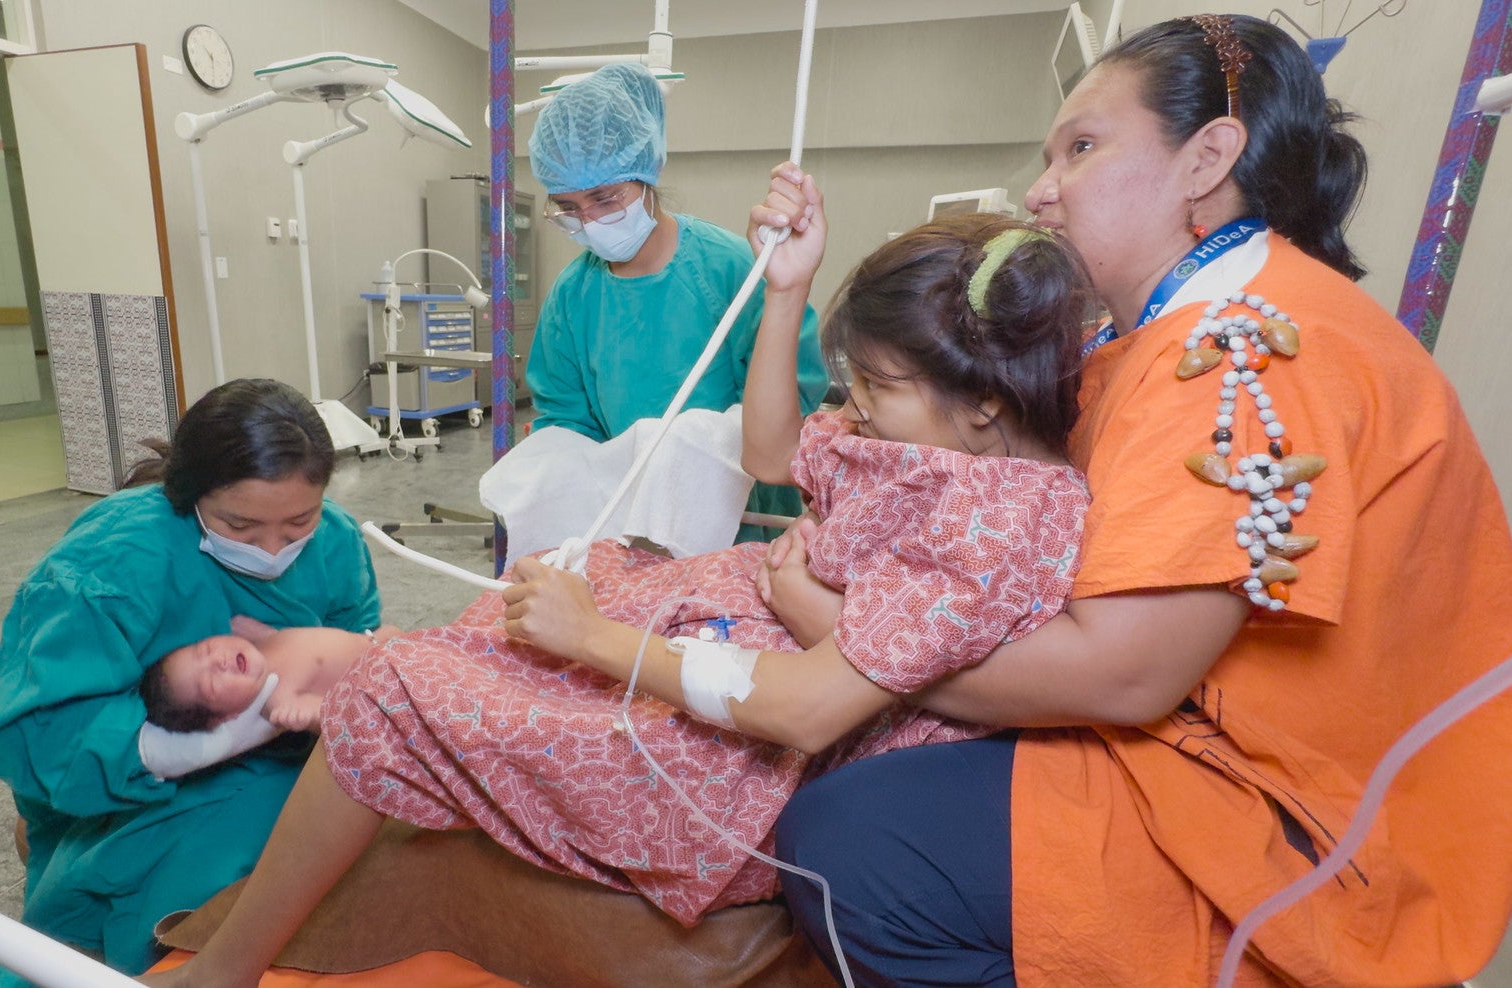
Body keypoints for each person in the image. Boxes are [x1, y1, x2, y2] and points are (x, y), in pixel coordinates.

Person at [139, 203, 1094, 987]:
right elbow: (771, 452)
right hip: (752, 630)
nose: (853, 412)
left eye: (875, 387)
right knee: (544, 577)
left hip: (756, 761)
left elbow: (807, 711)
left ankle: (230, 967)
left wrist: (595, 640)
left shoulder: (990, 521)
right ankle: (407, 727)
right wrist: (785, 293)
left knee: (392, 684)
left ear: (984, 399)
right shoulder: (936, 447)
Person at [765, 15, 1512, 988]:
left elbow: (1121, 676)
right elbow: (797, 452)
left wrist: (847, 631)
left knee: (844, 839)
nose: (1041, 189)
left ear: (1206, 158)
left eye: (1080, 147)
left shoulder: (1246, 355)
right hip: (1207, 737)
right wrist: (789, 293)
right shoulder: (1156, 340)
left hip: (1292, 807)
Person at [0, 378, 382, 986]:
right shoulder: (111, 560)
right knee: (232, 876)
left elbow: (361, 655)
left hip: (294, 760)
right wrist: (202, 742)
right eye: (239, 527)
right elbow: (37, 734)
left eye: (298, 523)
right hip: (132, 790)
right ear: (188, 497)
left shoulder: (336, 542)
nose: (271, 550)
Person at [523, 61, 831, 543]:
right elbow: (566, 417)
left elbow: (797, 398)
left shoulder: (731, 268)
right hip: (623, 522)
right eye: (568, 209)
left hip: (742, 522)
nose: (589, 221)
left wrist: (694, 464)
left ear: (646, 172)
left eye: (605, 199)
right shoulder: (572, 295)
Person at [140, 625, 402, 734]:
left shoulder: (259, 645)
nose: (218, 661)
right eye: (210, 683)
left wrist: (260, 630)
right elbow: (346, 717)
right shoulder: (279, 699)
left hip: (380, 640)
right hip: (396, 681)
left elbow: (296, 641)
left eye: (205, 649)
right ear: (224, 717)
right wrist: (309, 716)